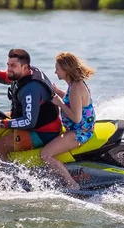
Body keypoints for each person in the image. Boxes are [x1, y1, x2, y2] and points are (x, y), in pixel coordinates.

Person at [0, 49, 62, 161]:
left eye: (13, 65)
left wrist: (1, 123)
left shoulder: (31, 89)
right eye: (8, 65)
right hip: (33, 120)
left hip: (44, 131)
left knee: (2, 145)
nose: (9, 69)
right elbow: (7, 76)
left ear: (24, 67)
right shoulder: (26, 72)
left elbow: (29, 122)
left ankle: (1, 177)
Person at [40, 52, 96, 190]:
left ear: (66, 70)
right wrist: (58, 91)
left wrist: (59, 103)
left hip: (80, 131)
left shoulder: (76, 88)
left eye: (57, 69)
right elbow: (73, 101)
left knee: (45, 154)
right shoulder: (74, 85)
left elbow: (76, 118)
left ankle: (72, 184)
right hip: (77, 128)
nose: (55, 71)